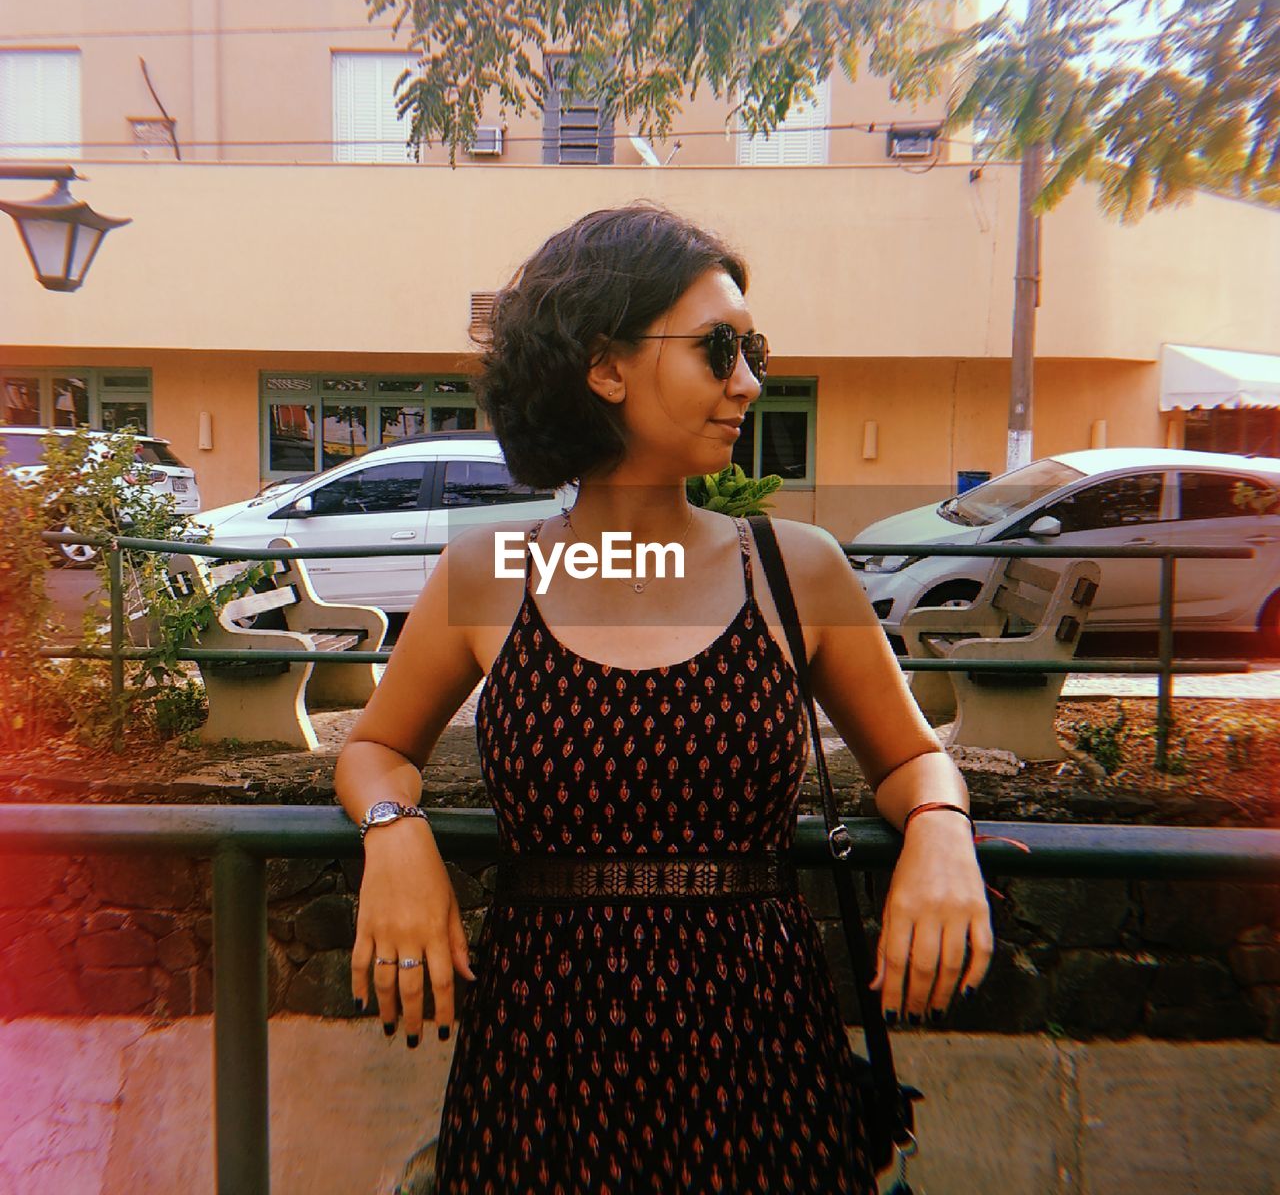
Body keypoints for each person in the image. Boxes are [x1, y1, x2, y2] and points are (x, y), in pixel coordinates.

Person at [335, 203, 993, 1193]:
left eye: (751, 347)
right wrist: (393, 829)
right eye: (717, 348)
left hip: (759, 1059)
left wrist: (940, 832)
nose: (748, 380)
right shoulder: (492, 572)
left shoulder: (792, 569)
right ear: (605, 365)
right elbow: (375, 745)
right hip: (540, 1064)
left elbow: (908, 756)